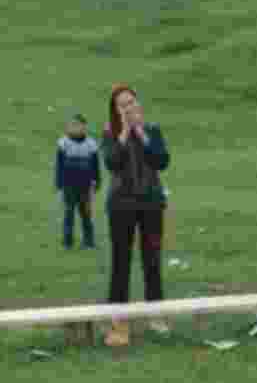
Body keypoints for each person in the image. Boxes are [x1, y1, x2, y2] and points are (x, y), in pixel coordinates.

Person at [100, 84, 171, 348]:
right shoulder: (110, 134)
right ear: (115, 110)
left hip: (151, 204)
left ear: (138, 104)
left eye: (131, 102)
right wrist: (125, 132)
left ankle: (156, 315)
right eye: (122, 105)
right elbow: (112, 163)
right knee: (121, 263)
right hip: (121, 206)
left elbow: (162, 161)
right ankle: (118, 321)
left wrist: (140, 133)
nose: (128, 108)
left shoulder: (151, 131)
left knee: (151, 260)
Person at [54, 112, 99, 250]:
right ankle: (67, 242)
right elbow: (59, 165)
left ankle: (89, 242)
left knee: (86, 214)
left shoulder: (91, 144)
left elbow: (95, 165)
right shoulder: (63, 143)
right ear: (68, 127)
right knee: (68, 214)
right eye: (72, 125)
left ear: (85, 127)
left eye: (79, 125)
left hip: (85, 186)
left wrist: (97, 180)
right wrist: (59, 182)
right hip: (69, 185)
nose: (75, 128)